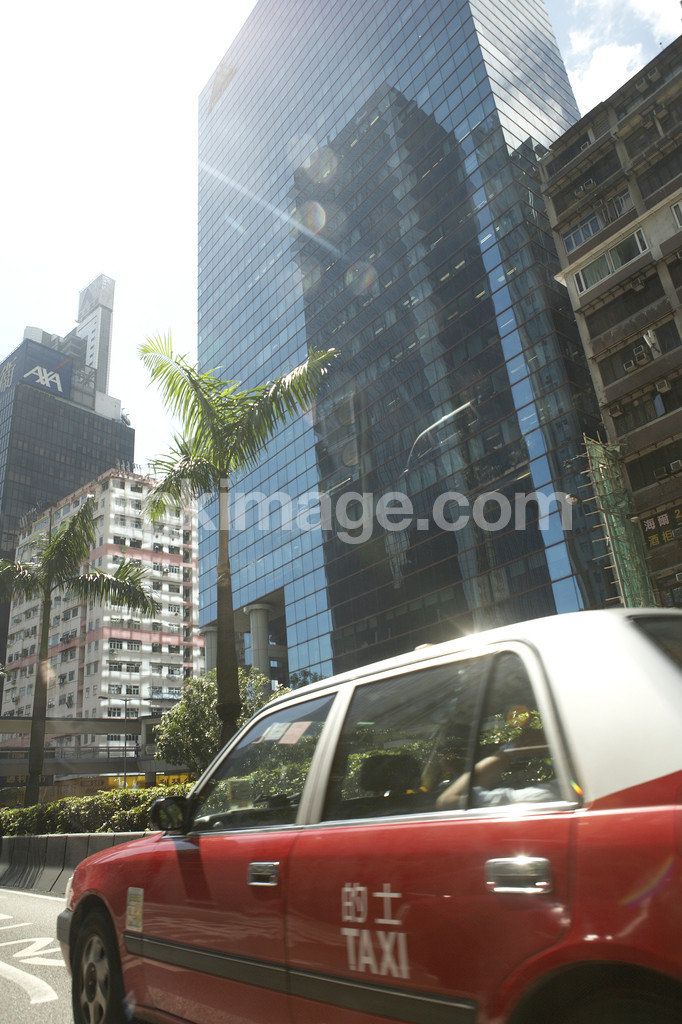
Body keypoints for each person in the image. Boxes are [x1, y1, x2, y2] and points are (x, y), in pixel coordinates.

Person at [435, 726, 560, 809]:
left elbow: (447, 802)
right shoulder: (560, 791)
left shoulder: (551, 794)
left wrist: (509, 750)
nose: (443, 758)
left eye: (448, 753)